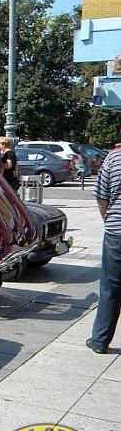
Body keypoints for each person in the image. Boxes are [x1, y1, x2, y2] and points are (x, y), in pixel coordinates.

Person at [88, 148, 121, 354]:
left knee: (110, 287)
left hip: (117, 232)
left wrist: (108, 219)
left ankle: (100, 340)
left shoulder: (114, 158)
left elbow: (101, 197)